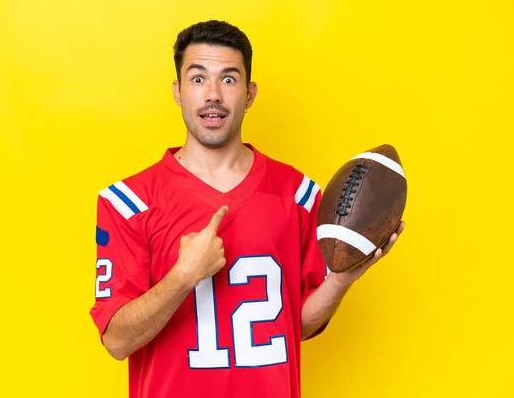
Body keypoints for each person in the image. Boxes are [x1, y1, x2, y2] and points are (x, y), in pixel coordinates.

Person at [90, 20, 404, 398]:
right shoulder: (128, 203)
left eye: (228, 79)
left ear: (250, 93)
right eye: (197, 79)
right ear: (177, 91)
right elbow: (117, 342)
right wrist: (182, 276)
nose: (213, 95)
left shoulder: (297, 195)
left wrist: (339, 282)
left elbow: (293, 326)